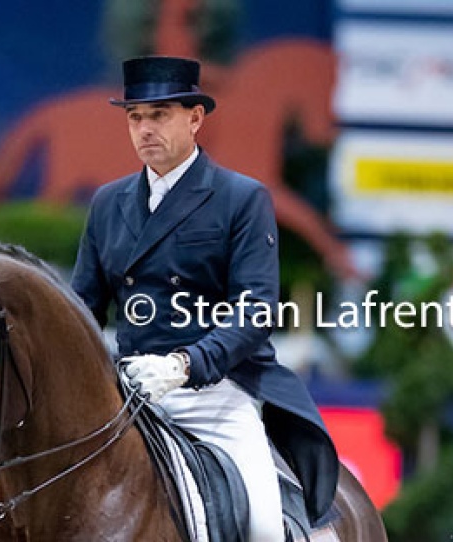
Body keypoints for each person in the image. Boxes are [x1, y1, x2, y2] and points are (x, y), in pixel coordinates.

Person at [71, 56, 339, 541]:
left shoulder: (240, 198)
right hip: (126, 394)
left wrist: (183, 365)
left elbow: (256, 309)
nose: (145, 129)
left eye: (159, 115)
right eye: (135, 117)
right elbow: (83, 307)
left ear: (195, 118)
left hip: (213, 394)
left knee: (262, 527)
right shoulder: (108, 203)